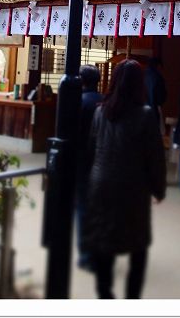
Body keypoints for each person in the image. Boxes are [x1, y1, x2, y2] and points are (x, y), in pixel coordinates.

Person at [82, 59, 167, 299]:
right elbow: (155, 157)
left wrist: (90, 178)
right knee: (137, 246)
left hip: (101, 182)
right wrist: (157, 188)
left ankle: (105, 294)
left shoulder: (101, 111)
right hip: (133, 185)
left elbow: (91, 147)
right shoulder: (145, 114)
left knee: (104, 241)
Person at [76, 64, 103, 271]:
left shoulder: (79, 102)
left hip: (83, 160)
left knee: (84, 209)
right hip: (103, 160)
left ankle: (87, 254)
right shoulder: (105, 102)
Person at [144, 57, 167, 128]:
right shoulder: (157, 77)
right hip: (153, 109)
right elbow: (161, 97)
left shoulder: (141, 75)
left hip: (140, 110)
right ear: (158, 66)